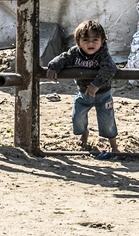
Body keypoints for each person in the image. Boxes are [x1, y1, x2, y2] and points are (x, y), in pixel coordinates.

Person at [46, 20, 121, 156]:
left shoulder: (103, 54)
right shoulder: (75, 53)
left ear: (103, 41)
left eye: (95, 40)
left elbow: (110, 68)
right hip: (83, 94)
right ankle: (83, 134)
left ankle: (114, 145)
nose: (90, 44)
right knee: (77, 118)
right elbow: (63, 58)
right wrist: (53, 67)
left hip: (103, 95)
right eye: (85, 40)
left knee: (108, 121)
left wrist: (96, 84)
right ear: (77, 41)